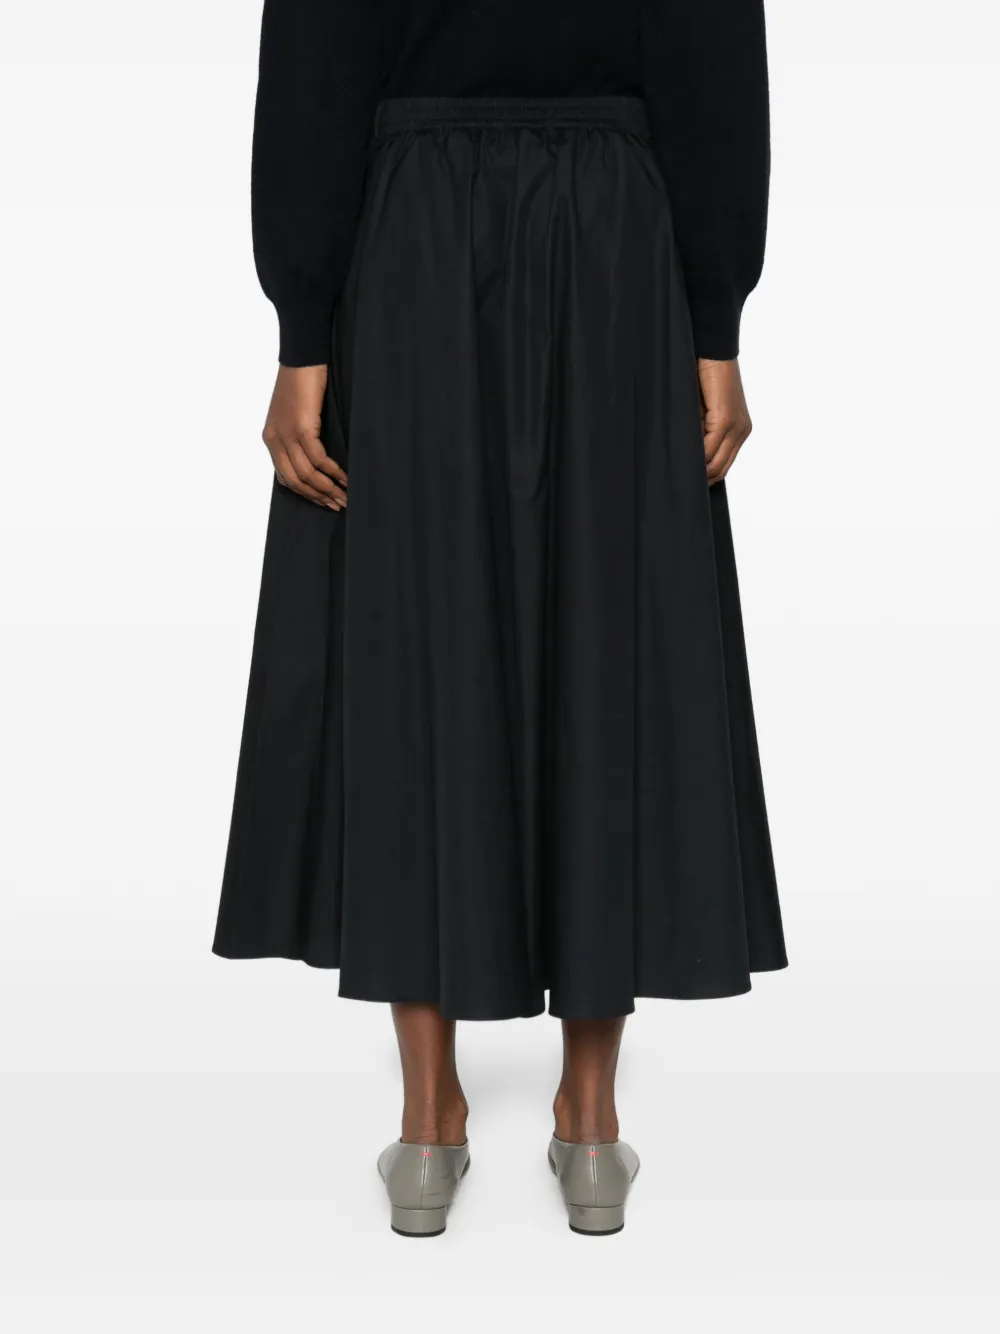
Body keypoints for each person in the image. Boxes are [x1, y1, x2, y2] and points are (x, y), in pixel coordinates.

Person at [213, 0, 787, 1238]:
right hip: (614, 231)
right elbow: (706, 53)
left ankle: (430, 1122)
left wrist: (304, 330)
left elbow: (317, 59)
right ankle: (591, 1120)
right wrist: (714, 319)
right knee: (605, 638)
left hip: (414, 226)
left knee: (412, 641)